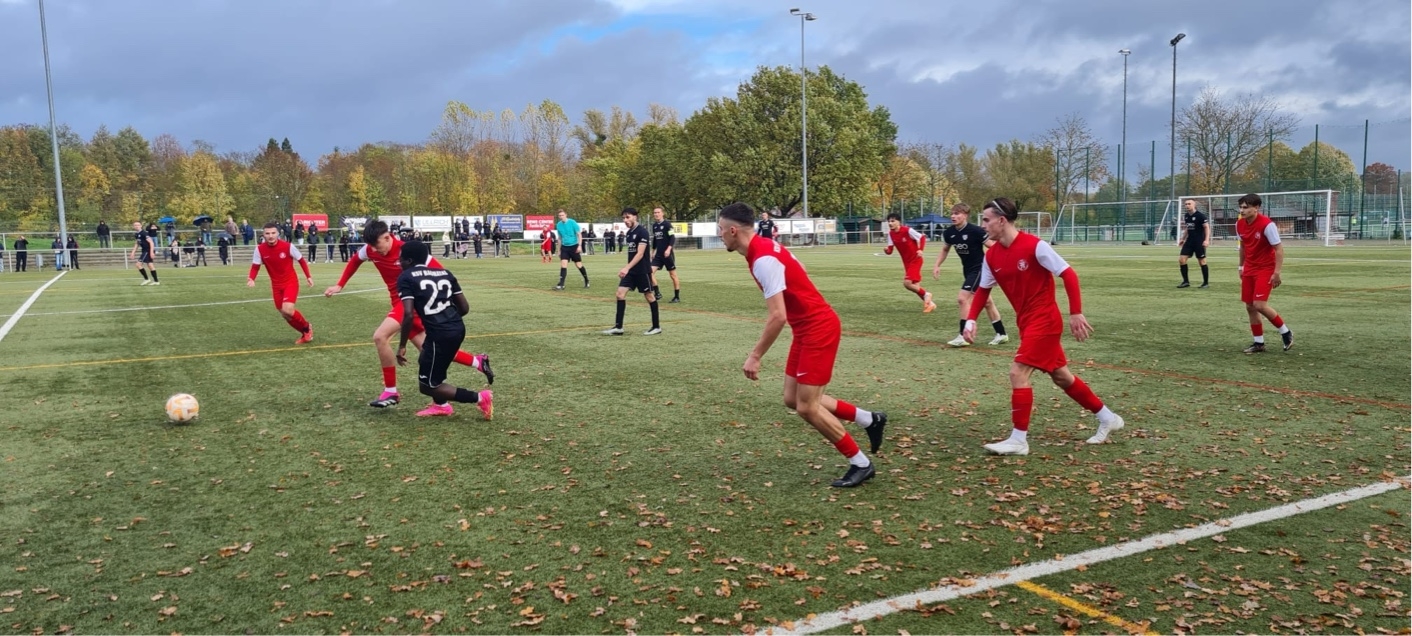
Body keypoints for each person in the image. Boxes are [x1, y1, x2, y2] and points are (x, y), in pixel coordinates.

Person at [716, 202, 887, 488]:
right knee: (792, 399)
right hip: (806, 329)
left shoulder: (763, 258)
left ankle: (861, 463)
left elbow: (778, 316)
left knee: (807, 407)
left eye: (721, 230)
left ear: (733, 231)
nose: (719, 235)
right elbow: (799, 267)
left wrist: (755, 355)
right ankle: (869, 419)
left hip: (818, 329)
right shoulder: (765, 247)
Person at [962, 197, 1124, 455]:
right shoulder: (991, 255)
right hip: (1026, 323)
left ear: (1001, 221)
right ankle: (1108, 417)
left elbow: (1069, 274)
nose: (982, 225)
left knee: (1018, 373)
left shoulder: (1035, 246)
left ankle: (1018, 440)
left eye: (986, 220)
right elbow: (982, 290)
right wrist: (970, 319)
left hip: (1045, 321)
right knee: (1062, 377)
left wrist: (1075, 312)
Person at [325, 220, 493, 408]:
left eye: (377, 245)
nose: (373, 250)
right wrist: (340, 285)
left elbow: (441, 274)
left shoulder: (408, 251)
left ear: (387, 237)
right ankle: (474, 365)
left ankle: (391, 392)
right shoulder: (371, 249)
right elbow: (355, 260)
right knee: (430, 353)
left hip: (409, 305)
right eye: (370, 246)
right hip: (401, 302)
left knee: (380, 337)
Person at [394, 240, 495, 419]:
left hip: (440, 334)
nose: (399, 262)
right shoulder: (444, 273)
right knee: (425, 360)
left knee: (427, 386)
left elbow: (408, 315)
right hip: (457, 328)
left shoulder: (406, 277)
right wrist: (448, 320)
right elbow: (464, 308)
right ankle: (441, 405)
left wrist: (402, 345)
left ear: (409, 260)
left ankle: (480, 398)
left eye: (401, 259)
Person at [933, 204, 1008, 346]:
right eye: (952, 213)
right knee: (987, 302)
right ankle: (1001, 333)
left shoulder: (976, 231)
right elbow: (945, 249)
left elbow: (992, 246)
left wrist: (1000, 264)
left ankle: (963, 335)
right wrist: (937, 265)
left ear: (965, 215)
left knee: (962, 299)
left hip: (980, 269)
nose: (953, 216)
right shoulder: (949, 233)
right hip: (968, 270)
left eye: (957, 213)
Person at [1235, 193, 1293, 353]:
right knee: (1250, 306)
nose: (1242, 210)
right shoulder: (1239, 224)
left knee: (1259, 305)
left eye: (1246, 207)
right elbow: (1243, 247)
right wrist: (1241, 267)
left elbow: (1279, 249)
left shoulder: (1267, 225)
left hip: (1265, 268)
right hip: (1250, 268)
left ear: (1256, 208)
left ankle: (1286, 332)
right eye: (1240, 207)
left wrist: (1277, 272)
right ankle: (1259, 343)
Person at [248, 222, 315, 344]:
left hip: (290, 282)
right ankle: (304, 332)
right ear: (263, 235)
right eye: (267, 233)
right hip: (276, 285)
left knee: (287, 310)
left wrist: (308, 276)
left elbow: (301, 260)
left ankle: (307, 327)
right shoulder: (259, 249)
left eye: (273, 233)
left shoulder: (288, 246)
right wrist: (251, 278)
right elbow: (255, 267)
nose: (271, 236)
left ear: (278, 233)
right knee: (285, 314)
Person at [601, 208, 661, 336]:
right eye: (623, 218)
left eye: (627, 217)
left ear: (635, 217)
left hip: (642, 270)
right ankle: (618, 327)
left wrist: (626, 267)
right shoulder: (629, 233)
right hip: (631, 271)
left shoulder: (642, 232)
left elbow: (640, 254)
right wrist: (628, 268)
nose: (625, 220)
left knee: (649, 296)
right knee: (620, 294)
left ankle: (656, 327)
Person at [884, 213, 935, 313]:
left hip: (915, 260)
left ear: (899, 222)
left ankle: (927, 294)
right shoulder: (891, 234)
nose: (890, 223)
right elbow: (890, 250)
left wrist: (920, 249)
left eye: (893, 221)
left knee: (907, 283)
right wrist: (886, 250)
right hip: (906, 262)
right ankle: (931, 304)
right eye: (889, 221)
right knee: (915, 286)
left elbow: (922, 237)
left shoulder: (907, 230)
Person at [1177, 198, 1212, 288]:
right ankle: (1185, 282)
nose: (1187, 205)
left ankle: (1205, 283)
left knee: (1202, 261)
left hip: (1199, 241)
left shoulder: (1200, 216)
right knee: (1182, 260)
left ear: (1194, 205)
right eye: (1186, 204)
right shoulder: (1186, 216)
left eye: (1189, 204)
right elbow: (1188, 228)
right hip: (1189, 241)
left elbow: (1206, 227)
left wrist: (1206, 240)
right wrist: (1182, 239)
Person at [649, 207, 681, 303]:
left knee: (673, 275)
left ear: (662, 213)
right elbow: (655, 239)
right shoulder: (654, 226)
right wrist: (653, 251)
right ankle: (657, 293)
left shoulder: (667, 224)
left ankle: (677, 297)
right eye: (655, 213)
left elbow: (672, 237)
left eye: (658, 212)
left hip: (667, 254)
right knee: (649, 273)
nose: (656, 214)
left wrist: (668, 249)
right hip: (658, 255)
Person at [553, 209, 590, 289]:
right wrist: (559, 250)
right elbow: (559, 238)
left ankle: (586, 280)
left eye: (562, 215)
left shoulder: (572, 222)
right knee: (563, 264)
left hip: (574, 246)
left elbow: (579, 235)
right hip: (564, 247)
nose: (561, 217)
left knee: (578, 265)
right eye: (560, 216)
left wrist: (579, 245)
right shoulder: (559, 225)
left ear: (566, 215)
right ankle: (561, 284)